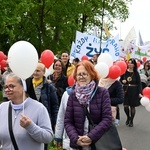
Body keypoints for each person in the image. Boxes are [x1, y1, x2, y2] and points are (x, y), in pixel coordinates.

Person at [64, 60, 112, 149]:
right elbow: (68, 121)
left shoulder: (102, 93)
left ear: (91, 75)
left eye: (84, 74)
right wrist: (75, 139)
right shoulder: (73, 95)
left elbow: (107, 119)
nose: (81, 77)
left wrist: (91, 136)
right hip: (78, 144)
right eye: (79, 74)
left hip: (98, 143)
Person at [0, 73, 53, 150]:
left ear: (23, 87)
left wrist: (30, 126)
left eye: (11, 86)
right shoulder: (2, 108)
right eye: (6, 87)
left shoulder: (39, 108)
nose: (7, 90)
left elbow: (48, 137)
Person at [26, 62, 59, 150]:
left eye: (38, 71)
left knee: (43, 143)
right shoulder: (26, 83)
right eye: (34, 70)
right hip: (29, 118)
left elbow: (54, 105)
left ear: (44, 72)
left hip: (43, 119)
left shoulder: (49, 86)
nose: (35, 73)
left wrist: (54, 121)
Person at [120, 58, 142, 127]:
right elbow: (121, 79)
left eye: (131, 63)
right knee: (126, 106)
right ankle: (128, 117)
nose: (130, 64)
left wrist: (139, 92)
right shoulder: (124, 72)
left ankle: (131, 120)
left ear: (134, 65)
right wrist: (122, 81)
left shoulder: (136, 73)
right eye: (129, 63)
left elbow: (139, 83)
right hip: (126, 90)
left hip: (134, 91)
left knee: (132, 106)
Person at [54, 85, 75, 150]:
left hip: (88, 139)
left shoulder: (96, 93)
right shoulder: (66, 94)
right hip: (69, 138)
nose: (81, 77)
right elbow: (61, 116)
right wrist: (58, 136)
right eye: (79, 75)